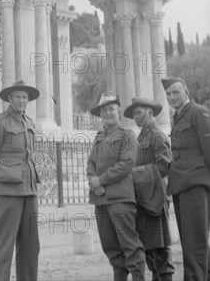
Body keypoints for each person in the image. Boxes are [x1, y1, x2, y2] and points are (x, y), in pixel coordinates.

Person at [0, 79, 40, 281]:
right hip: (7, 192)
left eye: (25, 97)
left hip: (29, 191)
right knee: (3, 247)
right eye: (18, 97)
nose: (22, 101)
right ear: (9, 98)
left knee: (31, 246)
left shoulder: (30, 123)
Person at [162, 76, 210, 281]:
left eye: (176, 92)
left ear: (186, 92)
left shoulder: (199, 113)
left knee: (194, 247)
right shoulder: (178, 116)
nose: (172, 97)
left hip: (196, 185)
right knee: (195, 244)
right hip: (181, 186)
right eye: (168, 94)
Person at [87, 91, 146, 281]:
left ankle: (138, 277)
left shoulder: (127, 135)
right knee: (110, 246)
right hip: (101, 200)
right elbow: (90, 164)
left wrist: (100, 180)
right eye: (104, 110)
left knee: (129, 244)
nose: (108, 113)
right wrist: (94, 182)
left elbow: (126, 164)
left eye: (111, 109)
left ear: (118, 112)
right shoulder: (99, 137)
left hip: (120, 199)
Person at [124, 97, 174, 281]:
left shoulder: (158, 136)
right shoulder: (141, 136)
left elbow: (163, 167)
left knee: (160, 252)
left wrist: (134, 174)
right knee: (149, 252)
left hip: (155, 199)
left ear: (150, 113)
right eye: (134, 113)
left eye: (139, 112)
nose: (135, 117)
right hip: (143, 199)